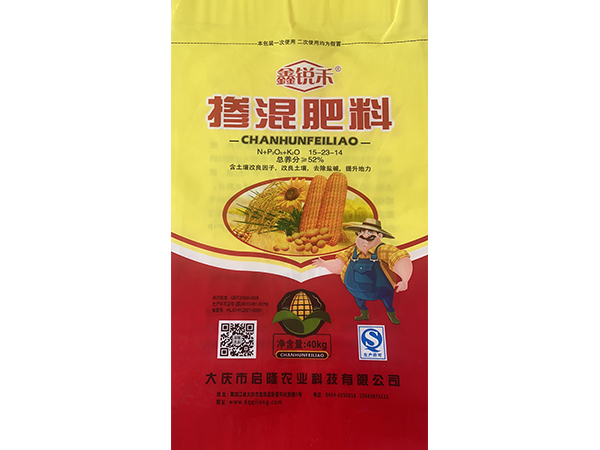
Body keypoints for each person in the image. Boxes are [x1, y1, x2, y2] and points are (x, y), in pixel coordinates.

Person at [312, 218, 412, 325]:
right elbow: (339, 264)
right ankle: (364, 314)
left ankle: (391, 315)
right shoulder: (352, 251)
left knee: (388, 303)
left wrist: (405, 279)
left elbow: (398, 258)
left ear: (379, 235)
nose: (365, 235)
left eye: (370, 232)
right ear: (358, 233)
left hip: (382, 291)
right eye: (363, 232)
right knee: (360, 303)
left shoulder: (382, 250)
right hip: (357, 291)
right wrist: (325, 264)